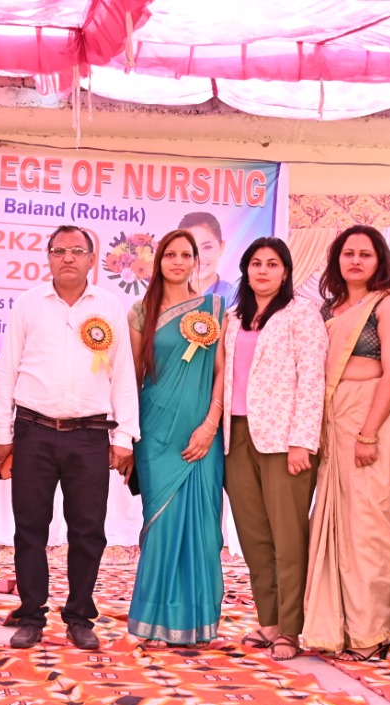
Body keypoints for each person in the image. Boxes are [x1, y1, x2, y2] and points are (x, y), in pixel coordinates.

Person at [0, 225, 140, 651]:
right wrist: (2, 432)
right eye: (59, 251)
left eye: (77, 251)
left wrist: (124, 436)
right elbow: (7, 370)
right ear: (49, 257)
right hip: (33, 431)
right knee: (29, 529)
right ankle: (31, 615)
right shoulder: (28, 304)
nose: (68, 258)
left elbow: (122, 374)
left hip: (90, 435)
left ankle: (78, 617)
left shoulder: (109, 306)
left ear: (92, 259)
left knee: (88, 530)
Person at [304, 225, 390, 662]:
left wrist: (369, 431)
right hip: (334, 417)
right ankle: (337, 628)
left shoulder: (388, 304)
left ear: (379, 260)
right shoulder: (329, 310)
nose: (355, 261)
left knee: (369, 524)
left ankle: (372, 632)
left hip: (373, 415)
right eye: (348, 253)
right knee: (335, 522)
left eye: (365, 254)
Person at [222, 237, 326, 661]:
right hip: (236, 435)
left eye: (272, 264)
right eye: (256, 263)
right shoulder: (232, 318)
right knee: (253, 534)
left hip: (285, 440)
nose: (263, 271)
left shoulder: (302, 314)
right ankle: (268, 621)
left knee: (288, 535)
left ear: (285, 272)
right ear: (245, 270)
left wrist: (303, 440)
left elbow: (313, 379)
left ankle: (290, 628)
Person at [126, 229, 226, 647]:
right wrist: (126, 434)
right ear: (159, 261)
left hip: (202, 434)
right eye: (171, 255)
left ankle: (198, 625)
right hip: (155, 432)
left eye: (186, 255)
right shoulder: (140, 312)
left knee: (201, 529)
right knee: (162, 526)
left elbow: (221, 372)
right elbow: (132, 376)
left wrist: (210, 424)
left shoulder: (215, 308)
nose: (179, 262)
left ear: (196, 262)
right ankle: (153, 622)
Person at [179, 212, 237, 306]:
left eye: (207, 247)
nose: (199, 257)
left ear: (221, 247)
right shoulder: (171, 294)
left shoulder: (233, 298)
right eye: (191, 248)